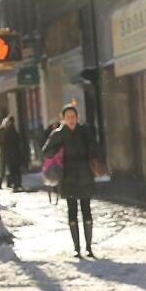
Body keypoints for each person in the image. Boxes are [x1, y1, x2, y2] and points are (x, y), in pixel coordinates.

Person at [41, 104, 101, 258]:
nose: (71, 120)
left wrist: (91, 149)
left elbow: (95, 147)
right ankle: (76, 248)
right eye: (68, 117)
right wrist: (57, 146)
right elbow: (46, 152)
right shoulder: (59, 134)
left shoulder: (84, 131)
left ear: (77, 117)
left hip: (85, 174)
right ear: (63, 119)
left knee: (86, 209)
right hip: (67, 176)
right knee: (72, 211)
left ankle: (88, 247)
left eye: (73, 117)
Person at [0, 114, 26, 191]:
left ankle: (13, 183)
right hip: (4, 152)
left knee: (13, 169)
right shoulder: (1, 130)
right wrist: (0, 146)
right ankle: (5, 183)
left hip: (10, 153)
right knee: (4, 169)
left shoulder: (12, 130)